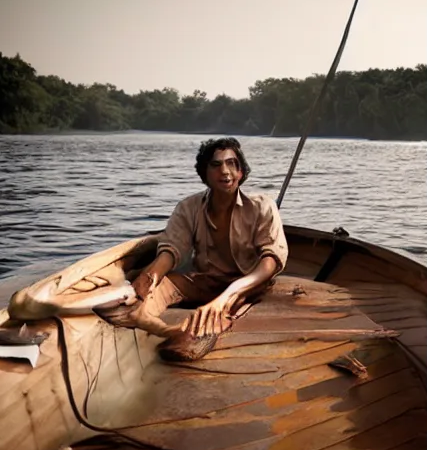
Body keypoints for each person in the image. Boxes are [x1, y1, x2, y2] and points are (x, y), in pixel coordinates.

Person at [95, 137, 287, 362]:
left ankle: (183, 334)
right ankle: (139, 313)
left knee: (214, 318)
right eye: (216, 165)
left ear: (241, 172)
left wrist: (227, 296)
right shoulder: (189, 207)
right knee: (155, 287)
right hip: (206, 281)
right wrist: (149, 278)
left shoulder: (262, 206)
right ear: (205, 174)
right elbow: (171, 250)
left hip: (248, 286)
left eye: (232, 164)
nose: (225, 171)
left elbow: (270, 262)